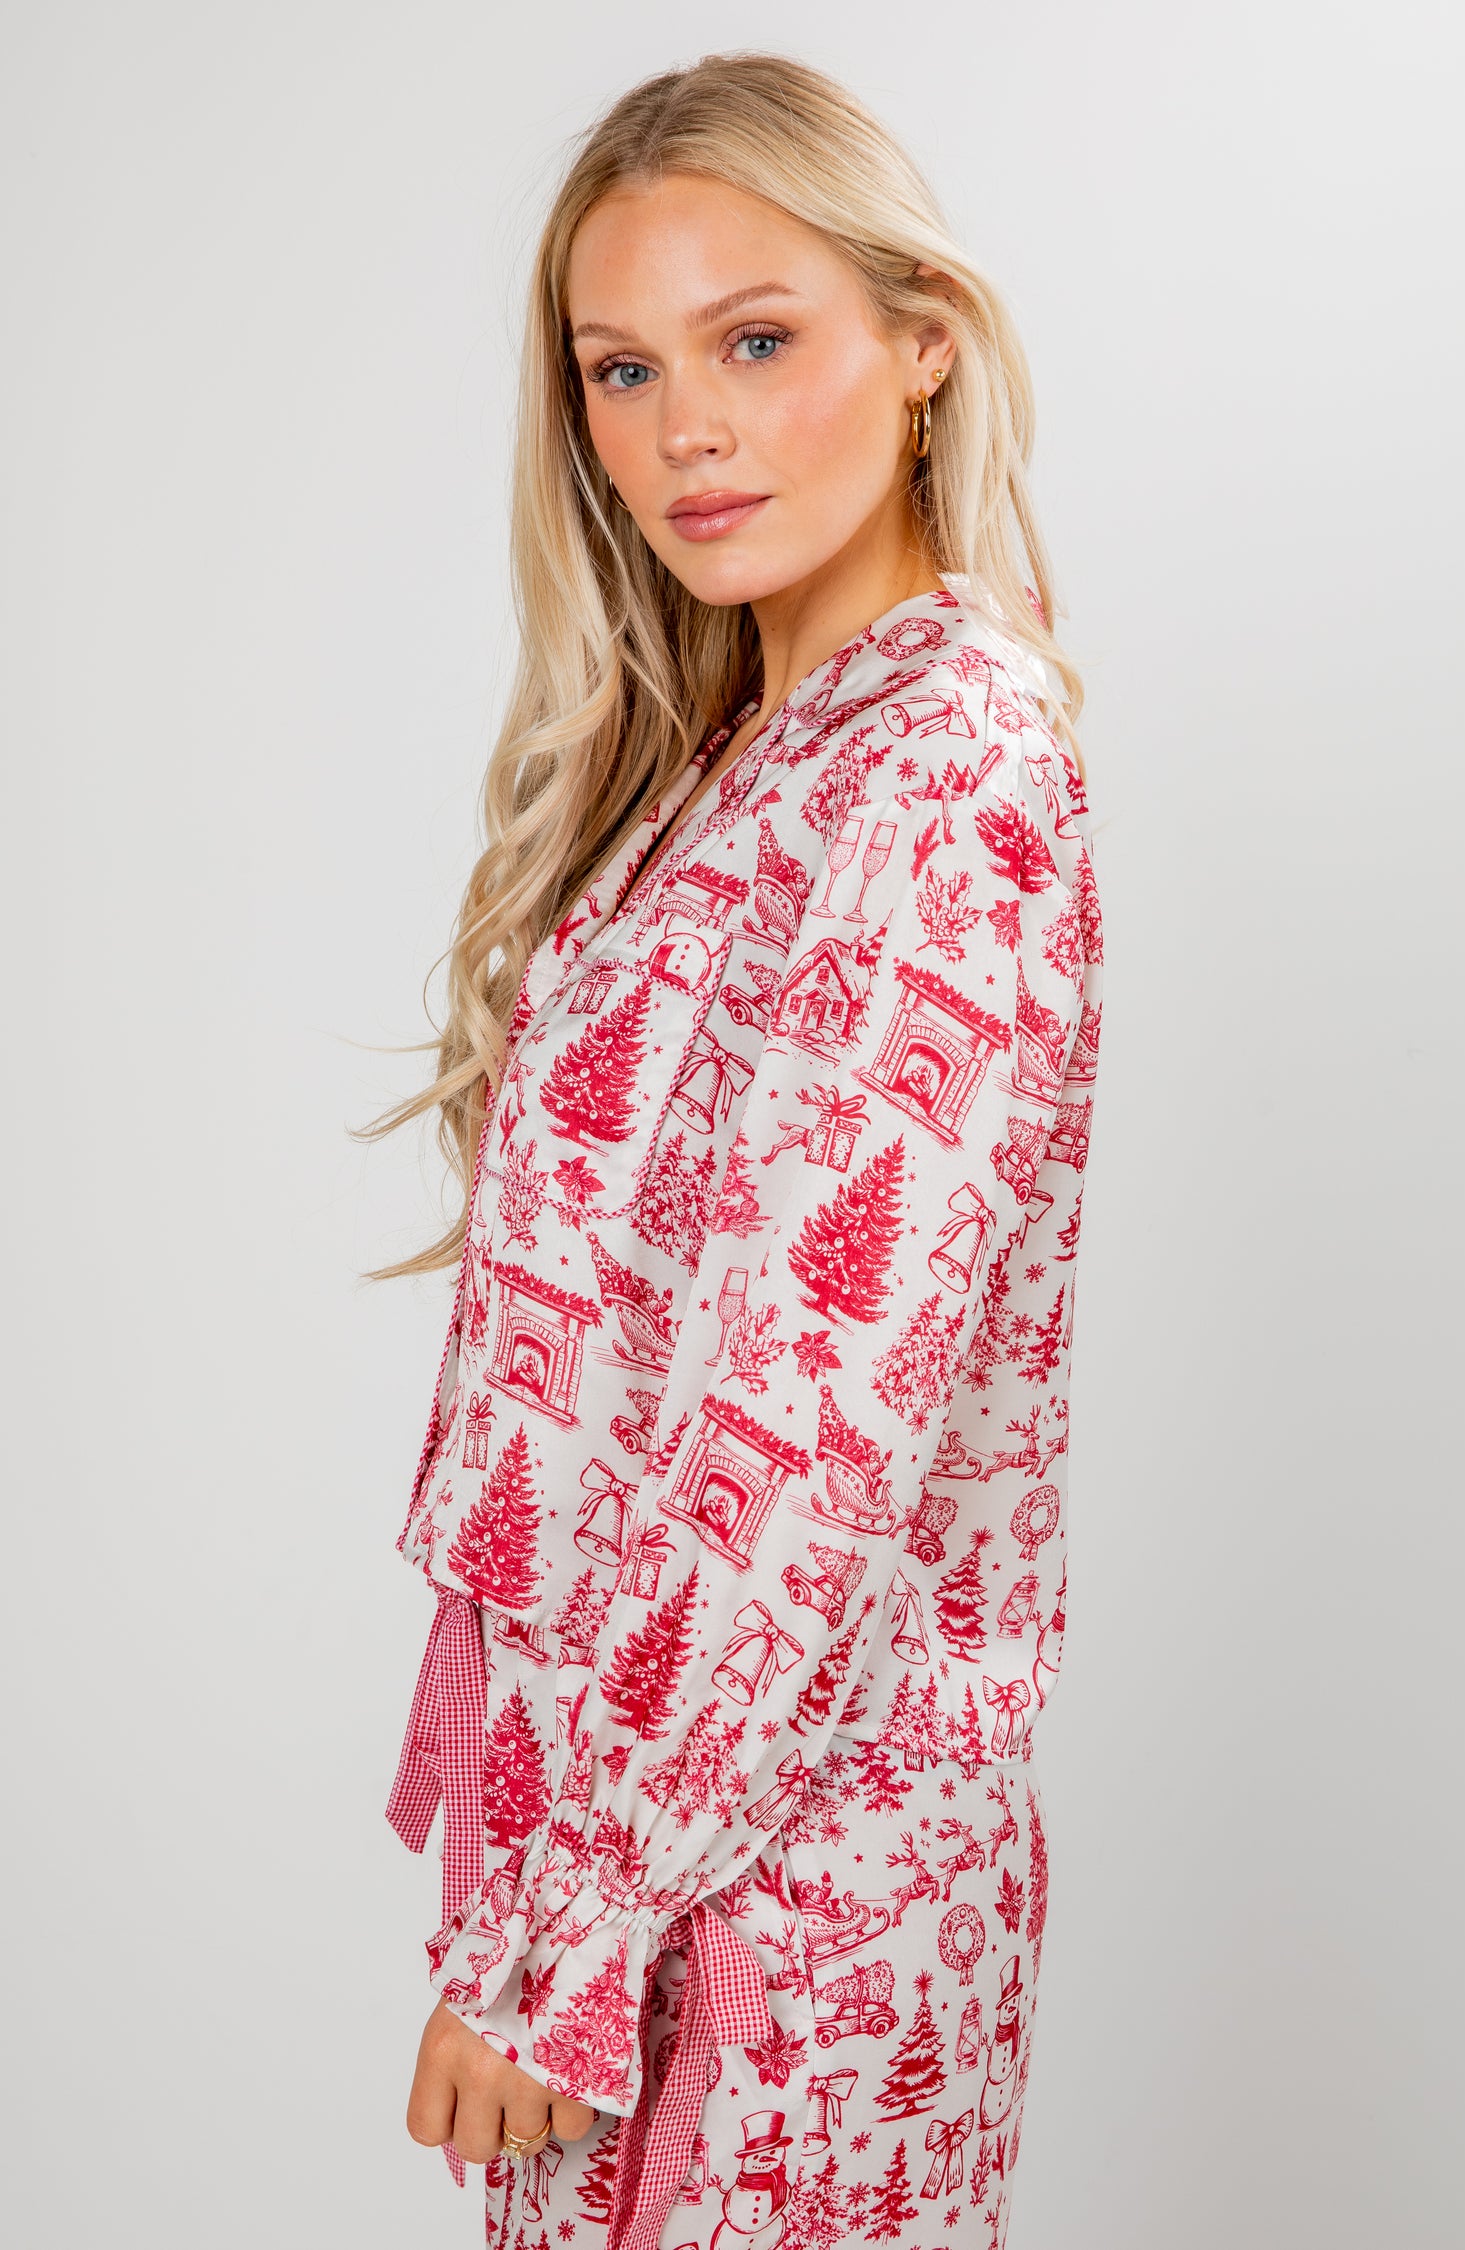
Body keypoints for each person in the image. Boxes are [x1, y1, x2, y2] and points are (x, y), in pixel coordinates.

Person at [366, 49, 1103, 2250]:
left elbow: (803, 1424)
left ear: (921, 347)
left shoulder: (948, 762)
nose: (684, 425)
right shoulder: (738, 754)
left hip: (792, 1910)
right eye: (622, 368)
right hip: (643, 1842)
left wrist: (555, 1945)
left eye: (756, 338)